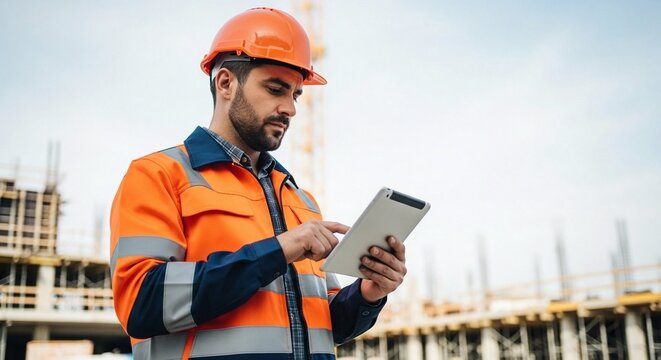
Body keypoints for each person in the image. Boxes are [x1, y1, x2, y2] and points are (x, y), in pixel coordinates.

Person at [110, 7, 407, 360]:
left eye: (295, 94)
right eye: (275, 89)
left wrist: (367, 294)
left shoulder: (301, 201)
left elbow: (325, 324)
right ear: (225, 84)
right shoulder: (160, 175)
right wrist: (278, 250)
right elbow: (141, 304)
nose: (290, 108)